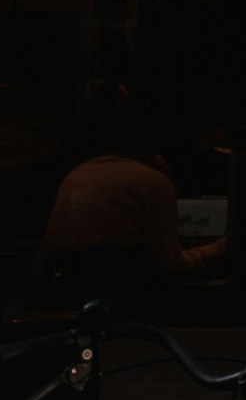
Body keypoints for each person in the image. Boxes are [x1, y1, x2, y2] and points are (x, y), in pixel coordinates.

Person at [35, 93, 217, 295]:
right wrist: (217, 249)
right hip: (120, 295)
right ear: (155, 142)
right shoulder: (151, 181)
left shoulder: (78, 173)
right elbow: (170, 264)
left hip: (62, 289)